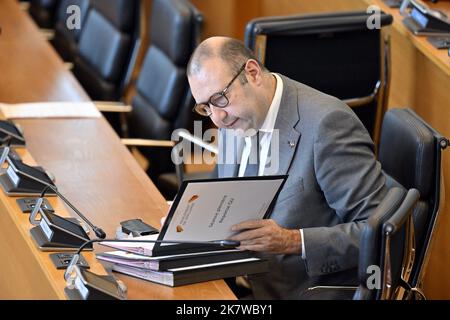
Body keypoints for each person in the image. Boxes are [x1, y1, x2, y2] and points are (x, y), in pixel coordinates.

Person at [186, 36, 388, 299]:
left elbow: (380, 233)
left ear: (252, 73)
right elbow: (227, 190)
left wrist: (292, 241)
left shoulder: (327, 125)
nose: (217, 118)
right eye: (205, 107)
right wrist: (192, 217)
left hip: (301, 291)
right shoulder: (231, 114)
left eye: (219, 99)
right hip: (234, 282)